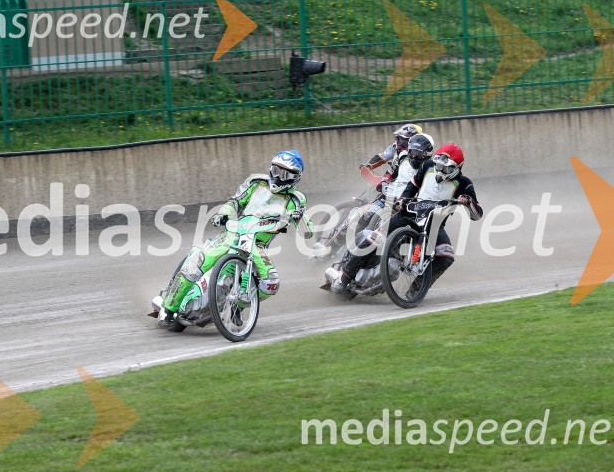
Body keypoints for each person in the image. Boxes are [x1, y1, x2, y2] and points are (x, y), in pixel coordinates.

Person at [159, 150, 315, 329]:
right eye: (275, 169)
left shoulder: (297, 199)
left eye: (284, 173)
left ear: (294, 177)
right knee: (197, 261)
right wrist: (223, 214)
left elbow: (307, 233)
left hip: (257, 244)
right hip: (232, 234)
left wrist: (299, 217)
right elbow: (234, 202)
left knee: (270, 284)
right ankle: (168, 308)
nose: (277, 176)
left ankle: (237, 306)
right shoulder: (256, 182)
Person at [332, 142, 482, 296]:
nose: (440, 169)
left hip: (435, 225)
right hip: (409, 213)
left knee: (446, 257)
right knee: (375, 237)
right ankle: (344, 277)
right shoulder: (427, 166)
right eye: (438, 165)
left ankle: (415, 292)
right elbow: (412, 185)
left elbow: (477, 214)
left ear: (458, 167)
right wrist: (403, 200)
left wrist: (468, 202)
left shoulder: (464, 183)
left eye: (446, 168)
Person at [361, 123, 425, 174]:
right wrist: (369, 165)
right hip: (395, 175)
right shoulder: (396, 146)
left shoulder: (421, 149)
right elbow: (383, 156)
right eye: (400, 138)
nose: (401, 142)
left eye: (405, 139)